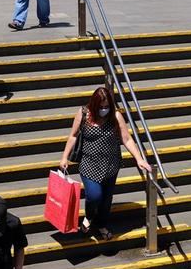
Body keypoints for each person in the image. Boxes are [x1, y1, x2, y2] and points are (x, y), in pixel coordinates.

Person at [59, 87, 151, 239]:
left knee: (107, 199)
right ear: (94, 105)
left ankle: (101, 224)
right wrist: (64, 157)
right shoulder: (84, 114)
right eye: (101, 107)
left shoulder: (115, 116)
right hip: (89, 164)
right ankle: (89, 217)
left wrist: (139, 158)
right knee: (94, 196)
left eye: (107, 106)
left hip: (110, 165)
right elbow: (73, 136)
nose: (104, 110)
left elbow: (126, 138)